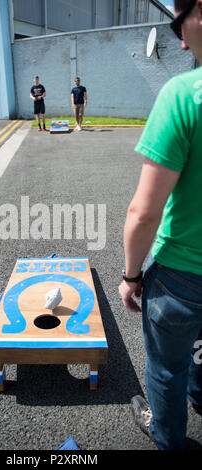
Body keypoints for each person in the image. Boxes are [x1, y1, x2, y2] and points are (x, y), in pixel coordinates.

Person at [118, 0, 202, 451]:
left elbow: (144, 212)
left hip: (182, 275)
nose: (179, 40)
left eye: (178, 25)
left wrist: (131, 277)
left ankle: (169, 436)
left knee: (167, 367)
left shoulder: (183, 94)